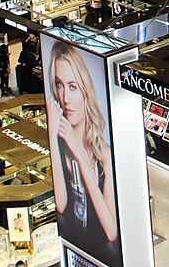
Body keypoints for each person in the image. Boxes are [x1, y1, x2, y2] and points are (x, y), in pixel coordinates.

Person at [48, 40, 120, 263]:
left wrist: (79, 152)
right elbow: (60, 204)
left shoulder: (105, 155)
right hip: (77, 251)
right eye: (59, 85)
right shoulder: (59, 145)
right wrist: (52, 133)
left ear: (84, 90)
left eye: (72, 86)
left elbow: (111, 231)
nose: (65, 98)